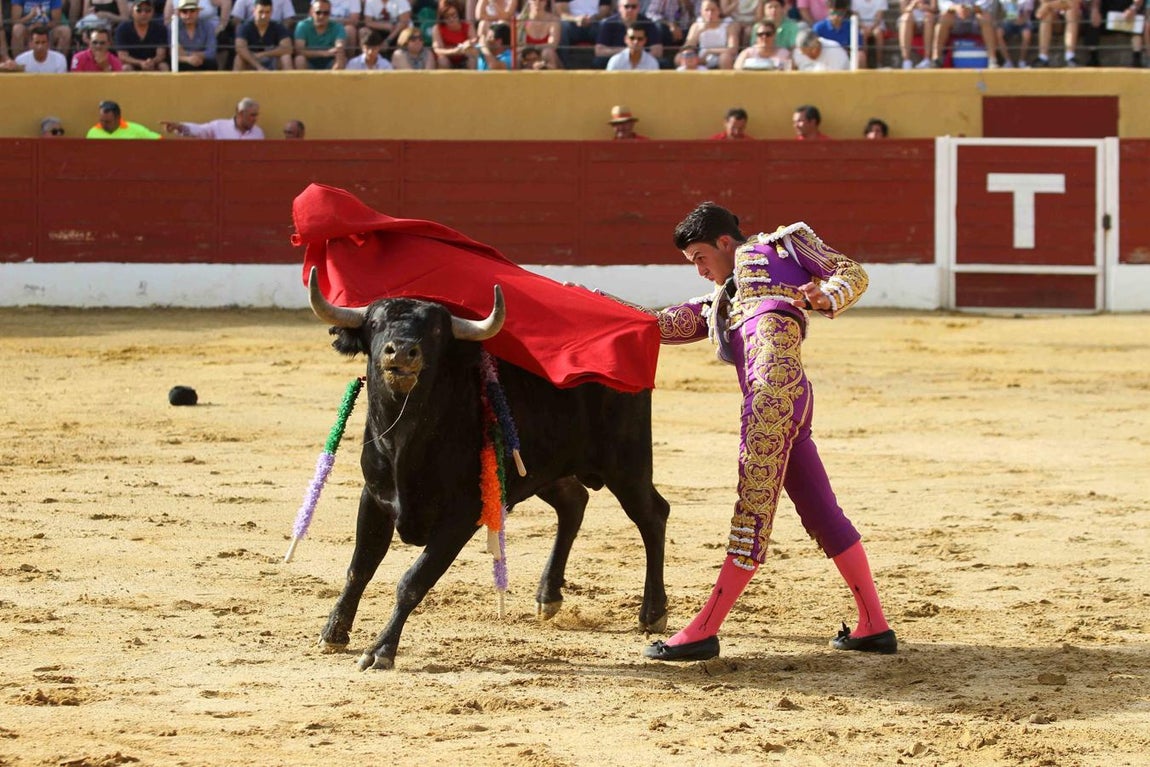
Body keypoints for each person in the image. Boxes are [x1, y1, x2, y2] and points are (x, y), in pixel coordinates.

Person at [632, 201, 895, 663]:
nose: (699, 271)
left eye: (699, 258)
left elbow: (851, 271)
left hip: (772, 395)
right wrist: (596, 306)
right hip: (787, 396)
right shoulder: (721, 300)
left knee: (752, 512)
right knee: (822, 513)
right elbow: (660, 323)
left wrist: (828, 296)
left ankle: (703, 630)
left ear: (724, 242)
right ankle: (873, 625)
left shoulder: (786, 243)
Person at [595, 0, 663, 68]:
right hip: (616, 61)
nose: (630, 10)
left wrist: (640, 57)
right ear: (619, 8)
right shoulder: (609, 23)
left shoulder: (648, 23)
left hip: (644, 62)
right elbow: (599, 51)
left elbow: (657, 50)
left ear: (639, 8)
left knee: (663, 63)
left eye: (634, 7)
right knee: (599, 62)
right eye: (626, 6)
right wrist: (627, 52)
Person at [932, 0, 997, 68]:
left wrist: (971, 9)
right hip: (955, 16)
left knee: (985, 17)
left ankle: (992, 59)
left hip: (975, 17)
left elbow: (986, 4)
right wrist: (956, 8)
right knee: (944, 18)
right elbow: (943, 3)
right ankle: (937, 59)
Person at [161, 97, 265, 139]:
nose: (255, 119)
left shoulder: (258, 133)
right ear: (241, 113)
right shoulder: (219, 126)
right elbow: (199, 130)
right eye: (252, 115)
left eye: (256, 115)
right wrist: (179, 126)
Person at [234, 0, 294, 69]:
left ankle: (288, 80)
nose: (263, 16)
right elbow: (240, 48)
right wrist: (259, 67)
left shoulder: (278, 26)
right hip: (251, 60)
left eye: (267, 12)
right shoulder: (244, 27)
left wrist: (263, 54)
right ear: (254, 11)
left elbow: (288, 48)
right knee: (238, 58)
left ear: (271, 12)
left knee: (286, 57)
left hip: (272, 59)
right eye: (260, 12)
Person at [1083, 0, 1143, 67]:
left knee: (1139, 17)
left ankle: (1137, 58)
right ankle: (1093, 57)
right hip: (1107, 13)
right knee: (1091, 15)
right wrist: (1095, 9)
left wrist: (1133, 8)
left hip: (1128, 11)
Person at [115, 0, 171, 71]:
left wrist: (151, 62)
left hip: (153, 64)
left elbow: (161, 55)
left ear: (153, 12)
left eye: (148, 10)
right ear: (132, 12)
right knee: (126, 68)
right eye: (139, 10)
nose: (143, 14)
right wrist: (140, 63)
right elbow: (122, 56)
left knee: (163, 66)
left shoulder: (160, 28)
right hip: (132, 64)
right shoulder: (122, 28)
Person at [684, 0, 741, 68]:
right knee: (680, 58)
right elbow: (686, 48)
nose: (710, 13)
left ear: (718, 11)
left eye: (713, 10)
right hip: (703, 58)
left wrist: (710, 51)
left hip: (723, 56)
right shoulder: (697, 25)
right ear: (701, 12)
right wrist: (699, 31)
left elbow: (733, 49)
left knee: (725, 58)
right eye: (706, 10)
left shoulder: (728, 24)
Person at [557, 0, 613, 66]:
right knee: (563, 26)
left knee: (605, 25)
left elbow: (605, 10)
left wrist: (592, 19)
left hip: (595, 23)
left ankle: (600, 65)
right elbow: (562, 13)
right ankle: (563, 65)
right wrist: (576, 19)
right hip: (572, 23)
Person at [294, 0, 348, 69]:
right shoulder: (302, 26)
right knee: (299, 59)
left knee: (341, 56)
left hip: (330, 62)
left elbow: (339, 46)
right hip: (309, 62)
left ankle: (335, 79)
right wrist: (323, 53)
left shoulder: (337, 27)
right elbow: (299, 51)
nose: (322, 16)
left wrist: (339, 47)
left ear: (330, 14)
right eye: (318, 12)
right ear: (311, 13)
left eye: (326, 13)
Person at [10, 0, 74, 55]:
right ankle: (19, 65)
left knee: (65, 31)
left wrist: (43, 26)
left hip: (47, 31)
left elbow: (56, 21)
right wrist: (30, 16)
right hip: (27, 31)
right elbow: (15, 21)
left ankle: (59, 63)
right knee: (17, 29)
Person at [813, 0, 864, 66]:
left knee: (861, 55)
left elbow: (858, 47)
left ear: (844, 12)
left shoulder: (851, 26)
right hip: (824, 62)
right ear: (828, 10)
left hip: (845, 61)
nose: (836, 16)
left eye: (840, 13)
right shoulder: (818, 28)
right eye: (833, 12)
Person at [173, 0, 220, 70]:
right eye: (184, 11)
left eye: (192, 11)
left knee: (211, 63)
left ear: (198, 12)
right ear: (179, 13)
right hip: (183, 62)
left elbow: (211, 52)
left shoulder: (208, 26)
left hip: (202, 61)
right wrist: (188, 59)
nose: (188, 15)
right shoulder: (173, 27)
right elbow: (173, 53)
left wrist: (190, 54)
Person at [517, 0, 563, 70]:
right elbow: (517, 45)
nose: (537, 3)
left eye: (541, 0)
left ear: (546, 2)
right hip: (526, 55)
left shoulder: (553, 20)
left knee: (548, 52)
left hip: (544, 55)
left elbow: (553, 45)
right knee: (517, 57)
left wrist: (533, 49)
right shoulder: (521, 20)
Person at [431, 0, 477, 68]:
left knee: (472, 59)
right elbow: (437, 49)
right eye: (447, 16)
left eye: (453, 15)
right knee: (442, 60)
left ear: (458, 14)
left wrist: (468, 44)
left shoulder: (468, 26)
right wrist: (454, 51)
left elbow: (475, 42)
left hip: (464, 57)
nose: (451, 19)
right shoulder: (437, 28)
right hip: (448, 58)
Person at [4, 25, 69, 71]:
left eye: (43, 42)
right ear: (31, 44)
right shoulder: (21, 60)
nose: (40, 46)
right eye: (37, 42)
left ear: (48, 44)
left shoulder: (60, 59)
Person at [86, 100, 161, 139]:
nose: (103, 124)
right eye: (101, 121)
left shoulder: (136, 130)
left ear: (118, 118)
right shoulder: (93, 132)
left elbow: (160, 142)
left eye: (108, 122)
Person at [1032, 0, 1077, 66]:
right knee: (1046, 15)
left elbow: (1072, 3)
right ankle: (1043, 57)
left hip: (1074, 16)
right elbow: (1042, 6)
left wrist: (1048, 5)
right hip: (1056, 19)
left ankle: (1070, 57)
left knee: (1071, 13)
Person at [897, 0, 936, 67]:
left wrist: (924, 7)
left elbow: (934, 8)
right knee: (906, 18)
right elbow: (903, 10)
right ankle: (906, 60)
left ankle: (927, 59)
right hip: (910, 15)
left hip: (927, 15)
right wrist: (912, 5)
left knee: (928, 17)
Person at [997, 0, 1036, 67]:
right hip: (1008, 22)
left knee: (1026, 34)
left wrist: (1016, 19)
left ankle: (1022, 61)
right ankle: (1008, 61)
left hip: (1024, 22)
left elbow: (1026, 15)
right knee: (998, 33)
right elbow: (1002, 14)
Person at [851, 0, 889, 67]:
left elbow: (879, 17)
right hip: (861, 27)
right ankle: (864, 65)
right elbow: (856, 17)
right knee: (863, 34)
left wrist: (871, 28)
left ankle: (879, 63)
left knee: (878, 33)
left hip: (877, 26)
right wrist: (864, 27)